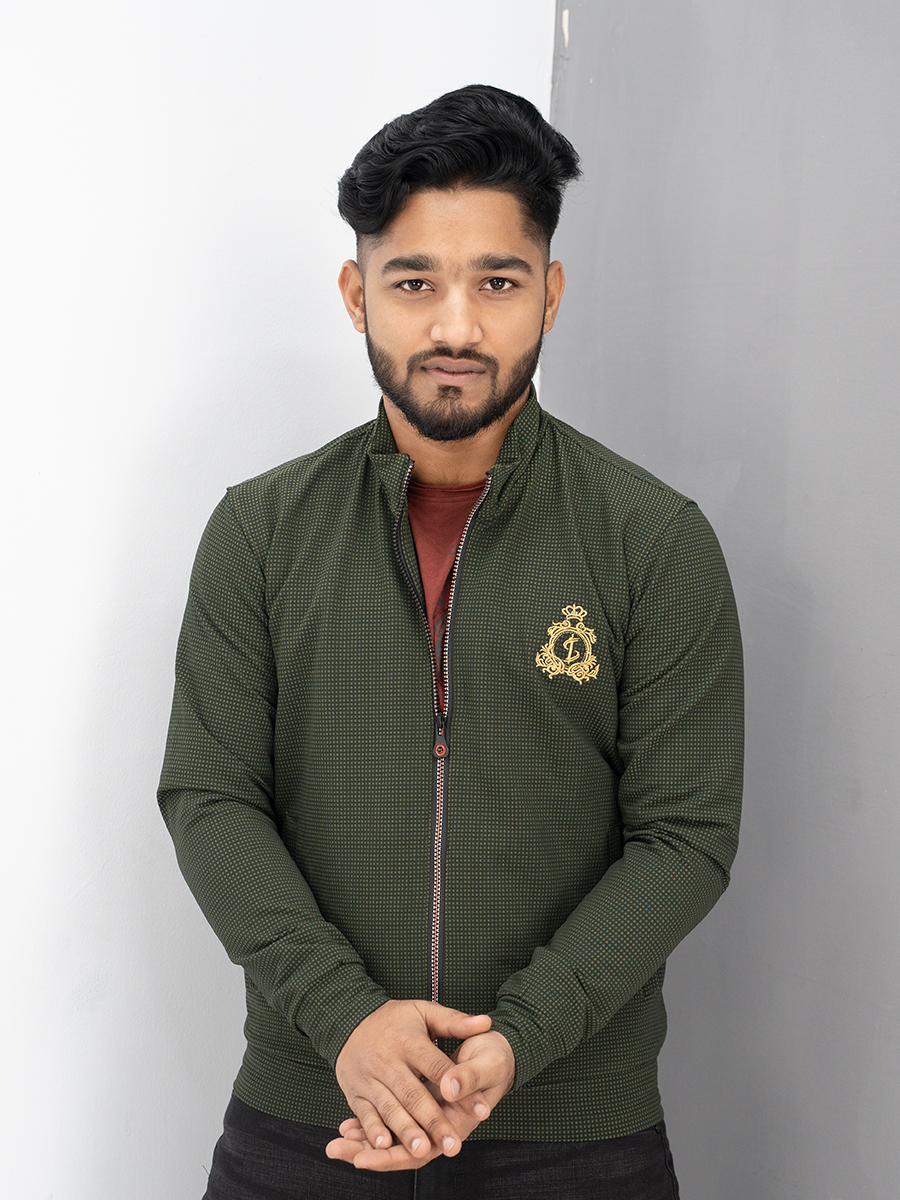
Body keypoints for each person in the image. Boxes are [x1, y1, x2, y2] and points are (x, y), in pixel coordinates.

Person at [158, 84, 743, 1199]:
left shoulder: (652, 539)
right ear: (357, 294)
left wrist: (518, 1038)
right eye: (414, 282)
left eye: (498, 282)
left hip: (576, 1135)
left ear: (551, 293)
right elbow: (210, 797)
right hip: (310, 1117)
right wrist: (348, 1022)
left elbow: (685, 837)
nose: (457, 328)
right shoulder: (260, 532)